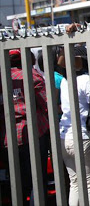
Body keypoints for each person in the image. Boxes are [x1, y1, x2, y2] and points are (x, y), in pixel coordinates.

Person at [1, 49, 49, 205]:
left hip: (8, 137)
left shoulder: (2, 78)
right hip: (33, 134)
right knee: (37, 181)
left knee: (16, 184)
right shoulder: (31, 76)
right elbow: (46, 104)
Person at [59, 46, 90, 205]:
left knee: (75, 183)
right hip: (82, 137)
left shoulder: (64, 81)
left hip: (64, 136)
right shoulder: (87, 80)